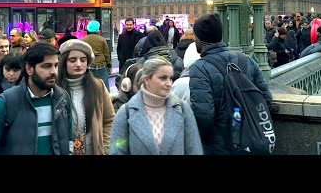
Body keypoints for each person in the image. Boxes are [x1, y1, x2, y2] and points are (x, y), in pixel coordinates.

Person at [189, 13, 274, 155]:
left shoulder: (200, 68)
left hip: (219, 147)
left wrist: (204, 140)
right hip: (251, 141)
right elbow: (266, 99)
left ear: (199, 38)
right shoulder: (246, 60)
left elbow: (204, 115)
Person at [0, 42, 73, 155]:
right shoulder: (4, 102)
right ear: (29, 69)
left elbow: (69, 140)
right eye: (46, 66)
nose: (54, 72)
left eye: (56, 65)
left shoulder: (62, 98)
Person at [109, 56, 203, 155]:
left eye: (171, 78)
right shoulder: (126, 113)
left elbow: (194, 149)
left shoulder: (183, 109)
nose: (169, 83)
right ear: (146, 79)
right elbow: (117, 150)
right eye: (163, 78)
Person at [57, 39, 115, 154]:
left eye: (83, 60)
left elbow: (109, 120)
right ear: (64, 63)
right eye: (72, 60)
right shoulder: (55, 88)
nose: (78, 64)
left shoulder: (98, 86)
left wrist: (104, 148)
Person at [81, 20, 112, 92]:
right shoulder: (102, 40)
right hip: (101, 66)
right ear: (98, 30)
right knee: (104, 87)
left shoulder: (83, 40)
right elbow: (106, 54)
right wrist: (109, 66)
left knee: (89, 87)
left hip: (89, 66)